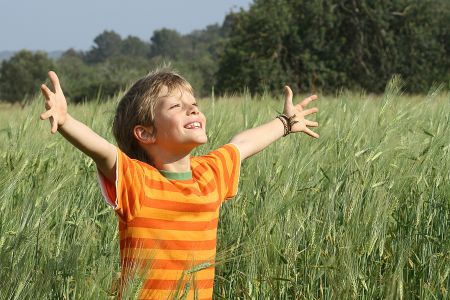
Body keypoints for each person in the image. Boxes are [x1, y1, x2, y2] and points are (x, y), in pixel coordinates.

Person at [40, 69, 319, 299]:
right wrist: (65, 121)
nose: (193, 111)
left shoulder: (210, 173)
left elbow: (242, 144)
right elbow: (103, 152)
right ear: (145, 133)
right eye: (177, 107)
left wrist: (285, 123)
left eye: (194, 106)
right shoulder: (137, 181)